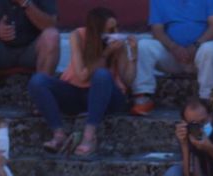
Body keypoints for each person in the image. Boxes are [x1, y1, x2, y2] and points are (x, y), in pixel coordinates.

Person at [30, 6, 135, 161]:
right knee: (38, 81)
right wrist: (106, 53)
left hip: (108, 98)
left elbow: (128, 80)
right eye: (110, 29)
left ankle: (89, 136)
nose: (115, 32)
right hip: (77, 93)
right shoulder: (78, 36)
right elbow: (82, 75)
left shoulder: (117, 43)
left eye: (116, 27)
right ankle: (59, 136)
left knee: (102, 75)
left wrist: (133, 54)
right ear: (97, 31)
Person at [131, 0, 213, 115]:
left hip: (201, 55)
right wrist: (174, 47)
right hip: (172, 55)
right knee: (144, 46)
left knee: (211, 48)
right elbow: (157, 30)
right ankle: (143, 97)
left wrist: (196, 46)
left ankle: (208, 100)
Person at [0, 0, 59, 92]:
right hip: (0, 51)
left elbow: (50, 25)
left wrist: (25, 3)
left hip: (32, 51)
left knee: (52, 36)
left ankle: (42, 94)